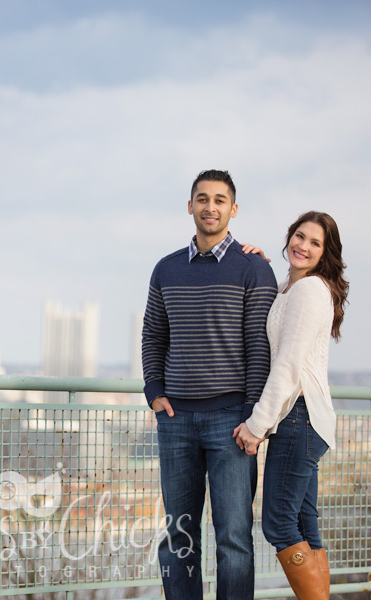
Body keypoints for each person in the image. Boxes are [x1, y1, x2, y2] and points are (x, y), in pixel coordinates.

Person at [142, 169, 278, 600]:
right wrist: (154, 390)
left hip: (231, 421)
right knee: (178, 535)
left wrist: (253, 414)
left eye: (220, 200)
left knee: (234, 539)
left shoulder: (253, 268)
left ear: (232, 209)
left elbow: (260, 347)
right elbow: (153, 334)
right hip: (176, 418)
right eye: (202, 198)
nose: (210, 206)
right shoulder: (166, 269)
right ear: (190, 206)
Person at [233, 211, 349, 600]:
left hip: (299, 416)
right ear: (289, 237)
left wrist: (257, 423)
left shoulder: (309, 290)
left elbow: (288, 363)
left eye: (315, 243)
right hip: (306, 419)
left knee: (279, 525)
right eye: (299, 236)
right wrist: (257, 262)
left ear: (325, 252)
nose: (303, 246)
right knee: (304, 523)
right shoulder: (292, 287)